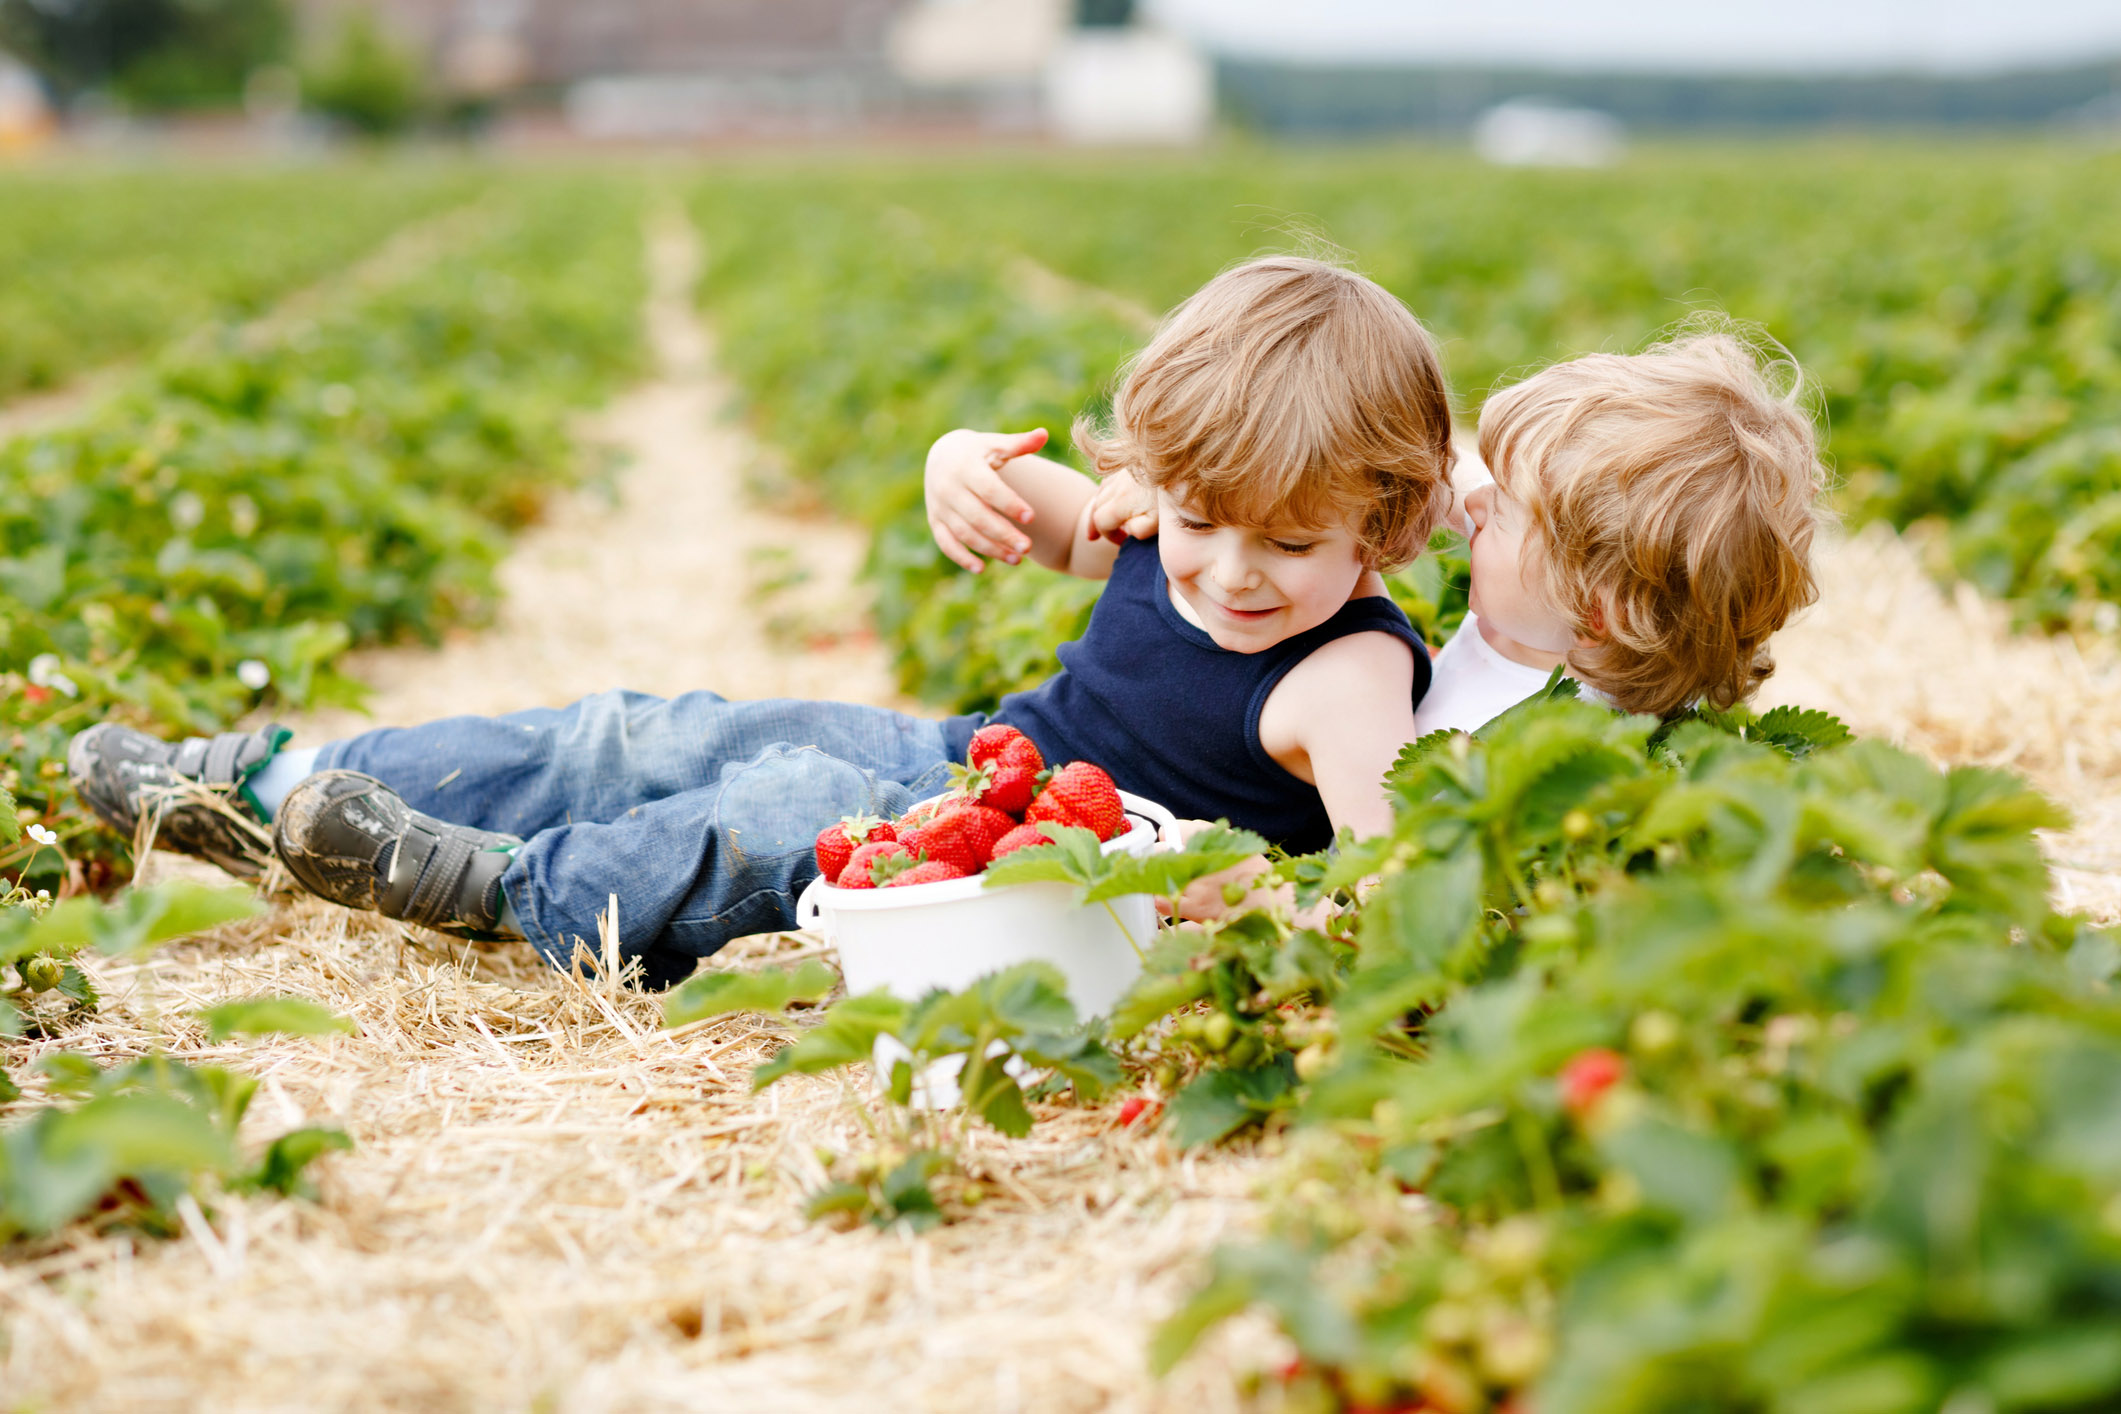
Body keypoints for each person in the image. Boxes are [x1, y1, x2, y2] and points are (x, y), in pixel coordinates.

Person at [66, 255, 1457, 989]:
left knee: (782, 806)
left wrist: (1234, 893)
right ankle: (275, 779)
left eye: (1289, 542)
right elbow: (1037, 498)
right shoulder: (1178, 518)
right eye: (1200, 518)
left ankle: (501, 882)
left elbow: (1383, 888)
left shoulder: (1342, 674)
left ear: (1384, 527)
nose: (1228, 573)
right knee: (658, 731)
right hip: (974, 761)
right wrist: (959, 462)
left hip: (1038, 879)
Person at [1410, 328, 1824, 734]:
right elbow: (1453, 481)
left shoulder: (1530, 738)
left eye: (1500, 509)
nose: (1472, 503)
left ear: (1593, 614)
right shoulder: (1540, 606)